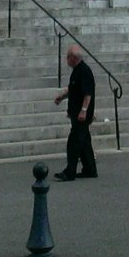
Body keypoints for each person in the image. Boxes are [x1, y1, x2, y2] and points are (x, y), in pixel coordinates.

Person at [53, 44, 97, 179]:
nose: (66, 60)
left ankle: (70, 171)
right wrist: (62, 97)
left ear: (73, 58)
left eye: (67, 57)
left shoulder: (84, 71)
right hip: (76, 113)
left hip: (81, 115)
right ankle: (90, 169)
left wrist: (84, 111)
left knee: (74, 142)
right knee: (84, 142)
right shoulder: (77, 71)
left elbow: (87, 93)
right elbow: (74, 90)